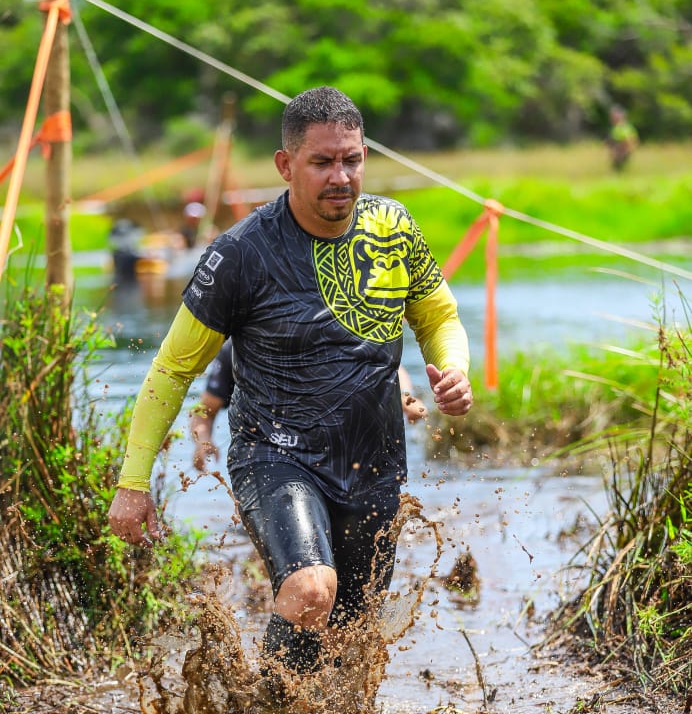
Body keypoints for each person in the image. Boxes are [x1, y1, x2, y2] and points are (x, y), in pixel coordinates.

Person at [109, 85, 472, 681]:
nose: (341, 177)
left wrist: (452, 372)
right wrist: (133, 482)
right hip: (276, 455)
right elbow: (172, 368)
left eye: (352, 159)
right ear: (285, 165)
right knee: (310, 591)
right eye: (322, 161)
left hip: (374, 459)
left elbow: (437, 316)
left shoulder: (392, 225)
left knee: (354, 636)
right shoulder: (240, 254)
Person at [189, 341, 427, 472]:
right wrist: (202, 443)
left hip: (335, 455)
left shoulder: (323, 331)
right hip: (271, 463)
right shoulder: (235, 350)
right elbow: (204, 411)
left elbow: (387, 366)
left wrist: (406, 399)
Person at [606, 106, 639, 172]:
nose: (611, 118)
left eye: (614, 116)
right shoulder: (616, 127)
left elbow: (630, 140)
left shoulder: (623, 127)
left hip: (621, 155)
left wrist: (621, 153)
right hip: (618, 155)